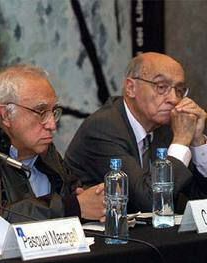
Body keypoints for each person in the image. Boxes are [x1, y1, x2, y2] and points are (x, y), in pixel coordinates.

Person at [0, 64, 105, 223]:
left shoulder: (42, 148)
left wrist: (94, 201)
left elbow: (75, 194)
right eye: (41, 112)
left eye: (53, 112)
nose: (52, 125)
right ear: (5, 115)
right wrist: (71, 208)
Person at [64, 52, 207, 213]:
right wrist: (181, 140)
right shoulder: (103, 127)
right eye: (161, 87)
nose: (174, 99)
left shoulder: (165, 128)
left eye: (179, 90)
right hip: (104, 234)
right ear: (131, 88)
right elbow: (148, 201)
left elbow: (199, 198)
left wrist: (198, 142)